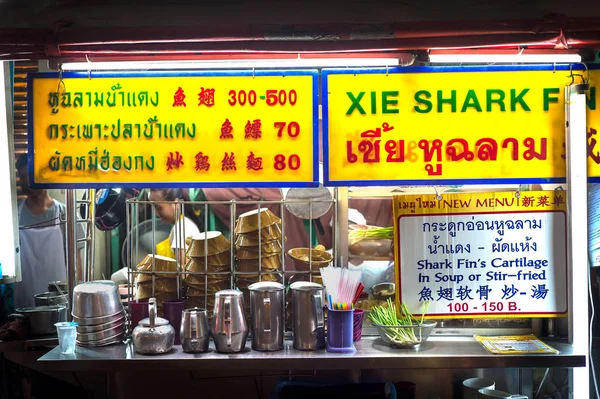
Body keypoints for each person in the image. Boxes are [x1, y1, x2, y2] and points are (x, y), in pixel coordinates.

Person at [14, 154, 81, 308]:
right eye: (22, 176)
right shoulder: (15, 214)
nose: (25, 182)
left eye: (29, 176)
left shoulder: (65, 213)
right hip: (25, 300)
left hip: (59, 299)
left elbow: (76, 261)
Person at [148, 188, 202, 260]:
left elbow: (184, 269)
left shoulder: (183, 227)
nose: (157, 214)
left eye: (158, 207)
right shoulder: (181, 224)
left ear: (176, 203)